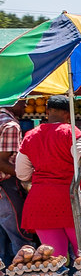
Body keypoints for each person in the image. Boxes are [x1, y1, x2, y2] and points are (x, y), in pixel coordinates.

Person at [15, 96, 81, 257]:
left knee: (54, 261)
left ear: (47, 112)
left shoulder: (30, 135)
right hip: (73, 200)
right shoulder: (72, 132)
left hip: (42, 204)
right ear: (69, 114)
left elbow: (22, 173)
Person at [0, 99, 33, 266]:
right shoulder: (11, 125)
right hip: (6, 188)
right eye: (23, 102)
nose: (26, 107)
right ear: (13, 102)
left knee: (2, 243)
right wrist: (27, 176)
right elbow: (2, 163)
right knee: (21, 240)